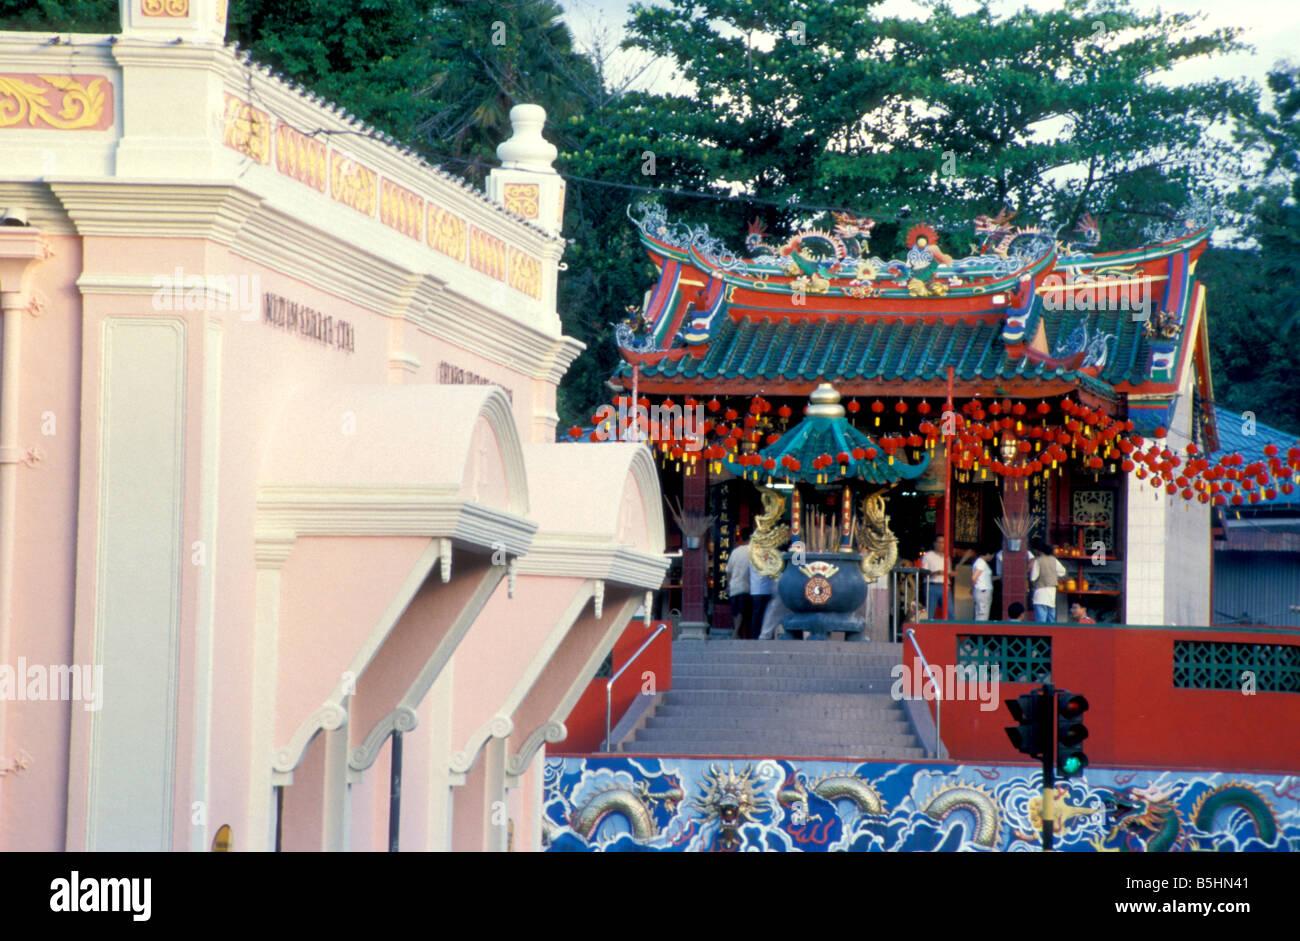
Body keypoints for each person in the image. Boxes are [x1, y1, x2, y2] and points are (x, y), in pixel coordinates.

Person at [1028, 541, 1067, 623]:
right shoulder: (1054, 560)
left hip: (1040, 592)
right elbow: (1062, 571)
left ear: (1038, 551)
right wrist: (1053, 574)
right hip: (1052, 592)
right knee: (1051, 618)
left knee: (1041, 620)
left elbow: (1033, 577)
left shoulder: (1038, 561)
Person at [727, 528, 752, 638]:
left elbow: (728, 571)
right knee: (742, 611)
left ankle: (736, 632)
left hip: (734, 585)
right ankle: (736, 632)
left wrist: (728, 584)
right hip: (746, 585)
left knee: (735, 611)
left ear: (741, 538)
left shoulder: (735, 552)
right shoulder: (753, 552)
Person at [919, 535, 951, 619]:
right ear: (934, 543)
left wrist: (952, 573)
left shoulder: (946, 557)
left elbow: (949, 572)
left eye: (943, 543)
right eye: (939, 542)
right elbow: (922, 573)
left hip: (944, 586)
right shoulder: (928, 556)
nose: (941, 545)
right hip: (931, 586)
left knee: (950, 613)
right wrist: (936, 572)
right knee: (929, 613)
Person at [748, 550, 775, 641]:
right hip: (763, 588)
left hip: (756, 589)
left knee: (757, 613)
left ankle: (756, 634)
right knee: (762, 613)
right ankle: (759, 634)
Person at [971, 548, 995, 621]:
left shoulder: (981, 562)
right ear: (988, 554)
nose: (992, 557)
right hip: (983, 591)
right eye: (992, 555)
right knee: (982, 614)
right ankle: (979, 631)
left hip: (982, 591)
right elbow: (974, 577)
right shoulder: (981, 563)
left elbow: (987, 578)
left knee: (981, 613)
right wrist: (973, 588)